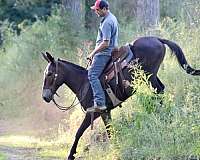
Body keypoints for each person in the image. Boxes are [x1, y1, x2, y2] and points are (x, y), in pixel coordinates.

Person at [87, 0, 119, 112]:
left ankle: (100, 103)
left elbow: (106, 43)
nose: (96, 12)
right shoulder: (112, 17)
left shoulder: (107, 22)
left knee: (92, 75)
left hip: (104, 53)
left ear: (105, 9)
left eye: (98, 10)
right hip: (108, 52)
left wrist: (93, 53)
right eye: (95, 10)